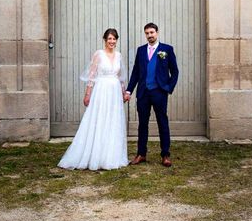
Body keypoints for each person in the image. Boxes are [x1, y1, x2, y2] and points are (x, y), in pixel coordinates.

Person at [58, 28, 128, 170]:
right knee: (99, 119)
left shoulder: (119, 55)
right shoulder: (99, 54)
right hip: (101, 90)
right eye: (109, 39)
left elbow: (120, 77)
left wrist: (123, 93)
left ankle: (110, 155)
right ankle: (94, 154)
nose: (112, 42)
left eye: (114, 39)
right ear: (105, 40)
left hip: (114, 92)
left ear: (117, 40)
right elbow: (91, 75)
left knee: (112, 121)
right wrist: (88, 94)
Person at [124, 22, 179, 167]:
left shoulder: (166, 49)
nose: (150, 35)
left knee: (162, 122)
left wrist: (168, 87)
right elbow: (136, 72)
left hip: (159, 92)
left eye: (152, 32)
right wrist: (129, 90)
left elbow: (175, 71)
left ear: (157, 33)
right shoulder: (141, 50)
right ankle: (141, 154)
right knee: (143, 124)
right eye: (147, 33)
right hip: (143, 93)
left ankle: (165, 155)